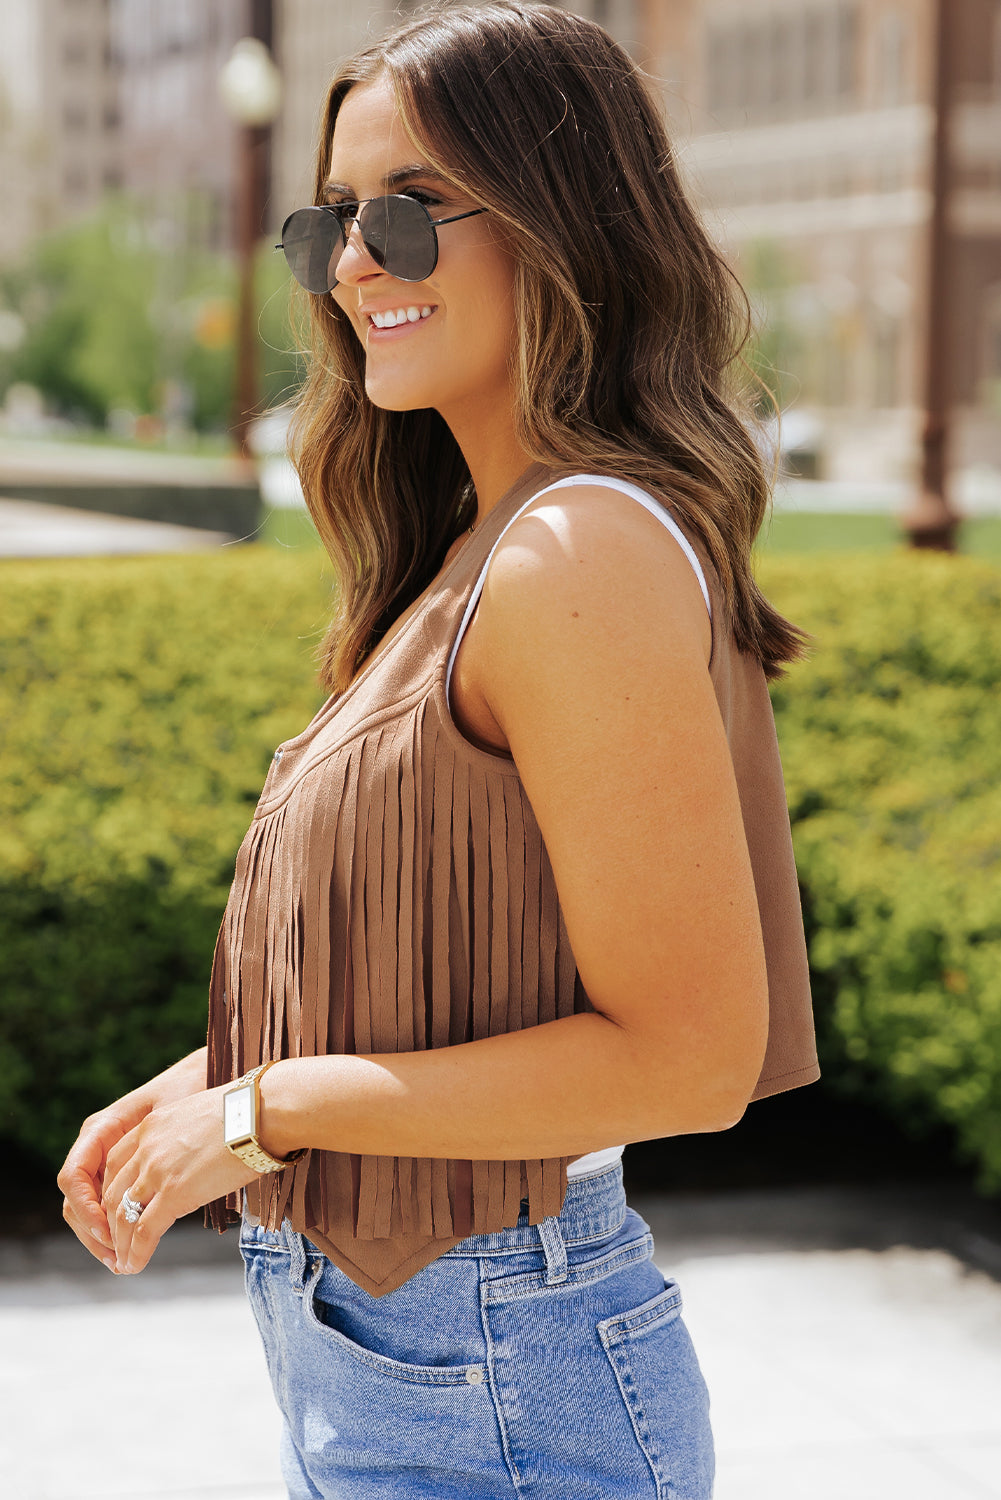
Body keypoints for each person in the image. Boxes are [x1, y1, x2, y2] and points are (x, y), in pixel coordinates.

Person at [58, 4, 819, 1495]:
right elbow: (447, 974)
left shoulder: (574, 552)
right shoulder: (472, 550)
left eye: (403, 213)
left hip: (498, 1382)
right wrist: (202, 1083)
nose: (351, 265)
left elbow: (686, 1058)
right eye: (329, 221)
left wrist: (265, 1111)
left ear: (561, 218)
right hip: (408, 1359)